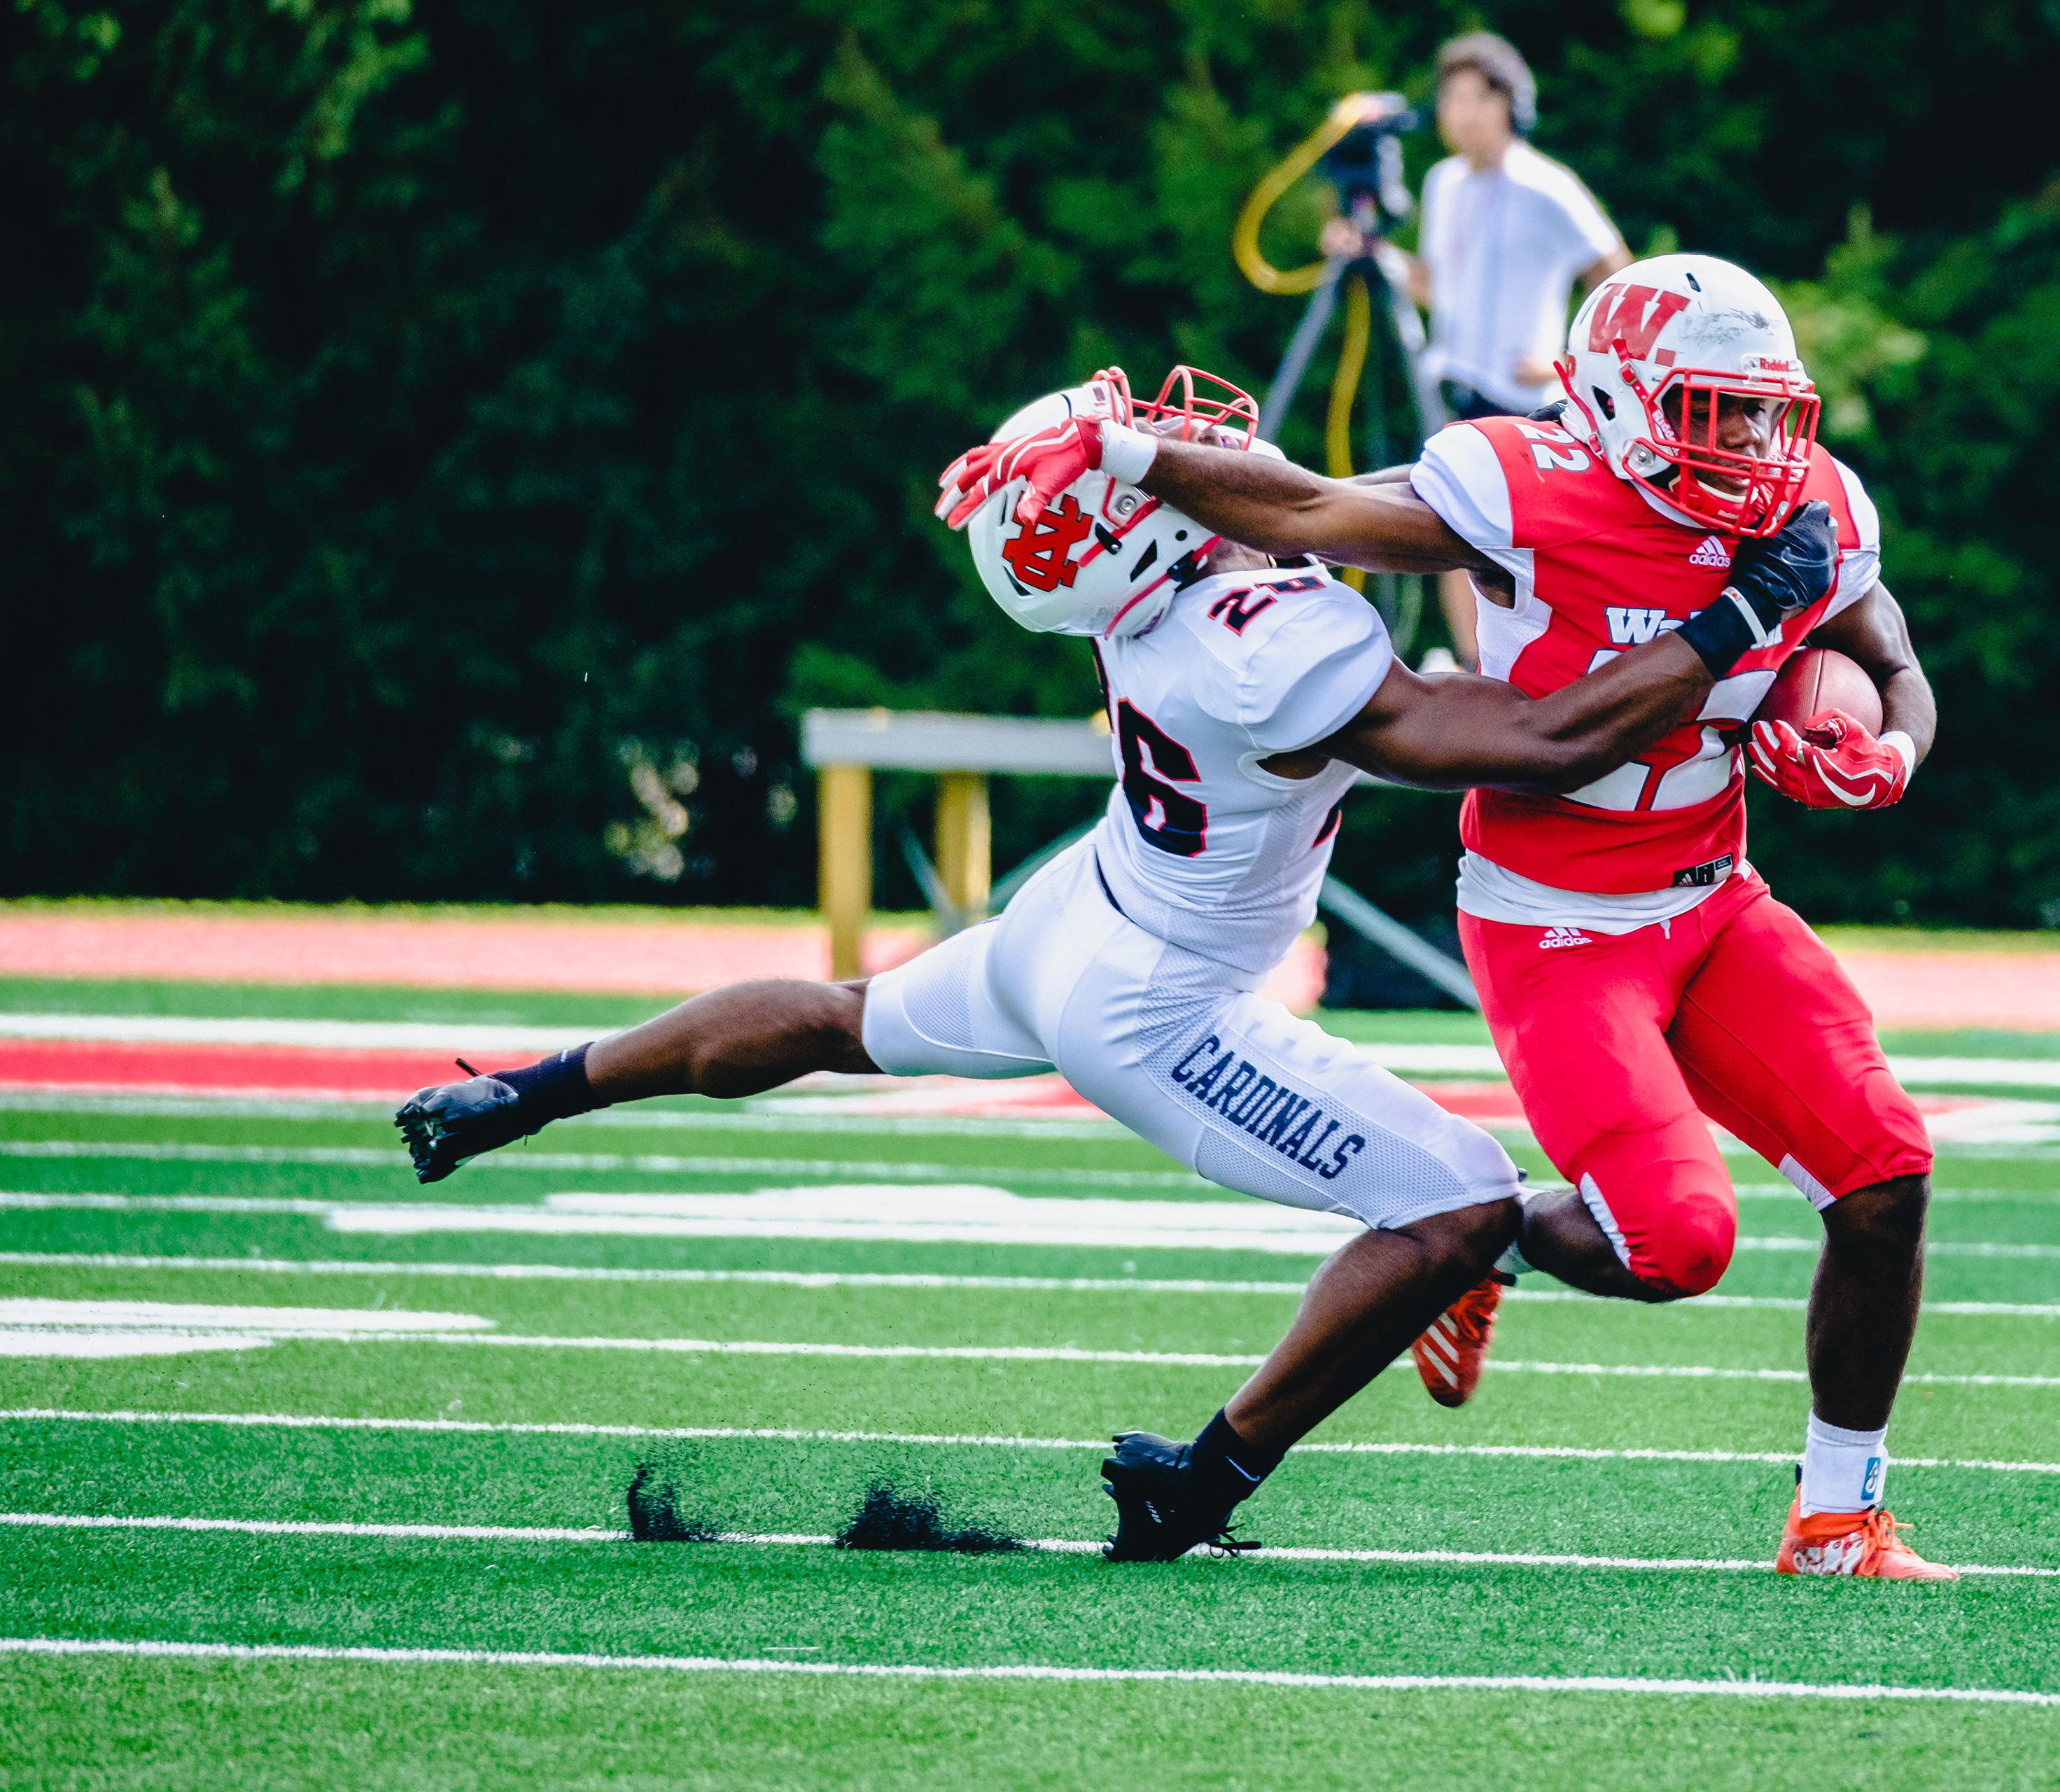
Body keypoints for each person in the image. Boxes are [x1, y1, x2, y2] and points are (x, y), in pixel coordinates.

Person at [399, 365, 1840, 1567]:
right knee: (1461, 1199)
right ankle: (1201, 1478)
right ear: (1137, 537)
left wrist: (1145, 454)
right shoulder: (1262, 639)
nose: (1182, 433)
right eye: (1139, 453)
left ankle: (524, 1094)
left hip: (1070, 921)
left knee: (846, 1020)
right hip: (1158, 1006)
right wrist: (1727, 626)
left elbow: (1281, 491)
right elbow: (1539, 743)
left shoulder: (1165, 602)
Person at [939, 256, 1954, 1581]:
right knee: (1681, 1245)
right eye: (1712, 413)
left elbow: (1892, 659)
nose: (1752, 447)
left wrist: (1896, 751)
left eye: (1766, 415)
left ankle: (1836, 1518)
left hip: (1715, 900)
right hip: (1557, 922)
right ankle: (1489, 1238)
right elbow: (1308, 508)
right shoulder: (1528, 488)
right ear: (1618, 401)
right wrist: (1129, 452)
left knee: (1886, 1175)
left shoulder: (1808, 502)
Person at [1322, 32, 1630, 668]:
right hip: (1454, 384)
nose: (1461, 112)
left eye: (1477, 98)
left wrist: (1569, 365)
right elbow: (1440, 286)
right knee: (1448, 522)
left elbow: (1618, 279)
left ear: (1509, 104)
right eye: (1451, 98)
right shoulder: (1442, 183)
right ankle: (1475, 665)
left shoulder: (1549, 186)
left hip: (1525, 396)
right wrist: (1375, 254)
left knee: (1516, 539)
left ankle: (1524, 663)